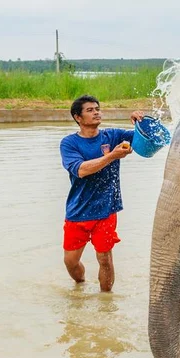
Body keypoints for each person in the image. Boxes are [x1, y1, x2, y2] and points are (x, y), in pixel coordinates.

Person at [59, 94, 143, 292]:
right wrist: (112, 156)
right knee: (71, 262)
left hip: (106, 210)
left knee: (105, 258)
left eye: (97, 109)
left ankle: (106, 300)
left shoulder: (112, 136)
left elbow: (146, 139)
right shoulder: (69, 143)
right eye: (90, 110)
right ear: (77, 117)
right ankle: (80, 286)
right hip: (78, 210)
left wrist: (140, 122)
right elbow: (81, 170)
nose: (96, 112)